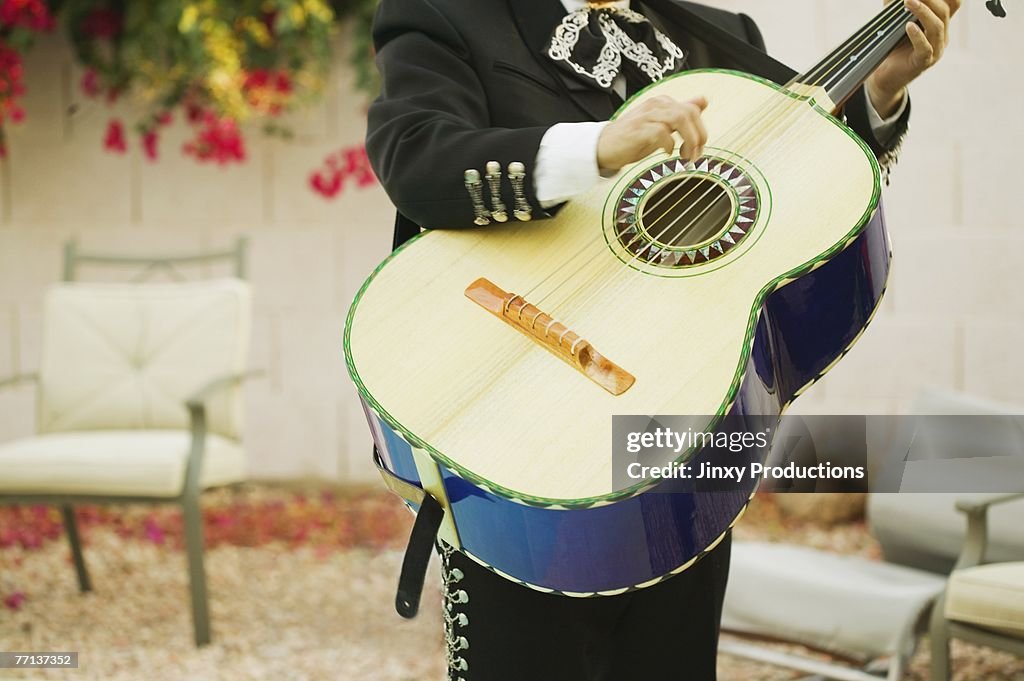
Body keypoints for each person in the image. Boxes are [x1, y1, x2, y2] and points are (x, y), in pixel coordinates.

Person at [365, 1, 958, 679]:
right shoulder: (449, 13)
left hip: (680, 436)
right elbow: (413, 154)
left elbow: (802, 190)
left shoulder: (724, 37)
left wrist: (879, 95)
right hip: (517, 426)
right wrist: (594, 150)